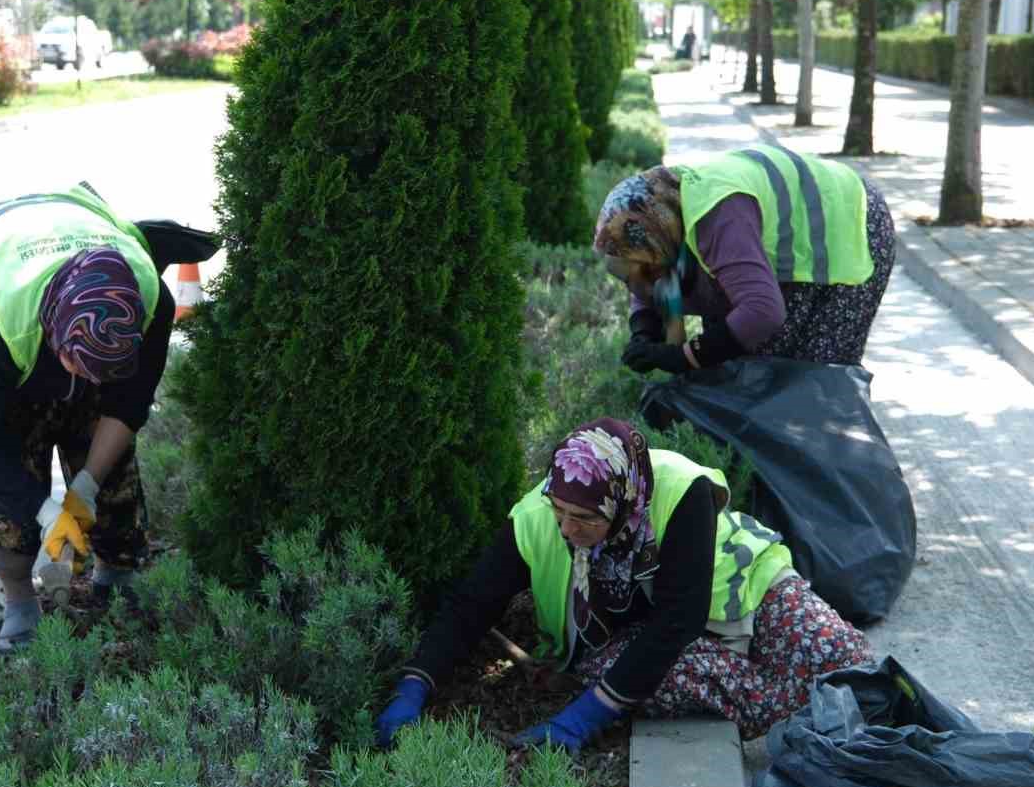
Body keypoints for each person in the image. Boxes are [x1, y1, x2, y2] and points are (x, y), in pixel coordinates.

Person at [375, 419, 872, 752]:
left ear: (622, 498)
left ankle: (828, 706)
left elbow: (681, 614)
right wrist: (415, 685)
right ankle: (803, 709)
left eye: (585, 518)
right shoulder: (535, 521)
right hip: (639, 643)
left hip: (742, 589)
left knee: (852, 666)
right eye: (560, 512)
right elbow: (470, 607)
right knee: (632, 675)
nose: (568, 529)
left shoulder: (681, 488)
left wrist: (583, 719)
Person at [0, 182, 176, 650]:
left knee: (113, 474)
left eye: (106, 375)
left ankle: (117, 577)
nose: (92, 388)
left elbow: (127, 404)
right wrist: (43, 514)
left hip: (73, 288)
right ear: (55, 340)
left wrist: (84, 490)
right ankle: (21, 604)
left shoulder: (151, 302)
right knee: (3, 509)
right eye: (84, 371)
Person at [594, 149, 895, 378]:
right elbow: (645, 279)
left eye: (646, 269)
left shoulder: (717, 216)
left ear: (656, 237)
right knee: (748, 367)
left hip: (848, 219)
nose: (641, 283)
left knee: (808, 375)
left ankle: (825, 458)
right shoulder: (664, 219)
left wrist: (684, 358)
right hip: (785, 225)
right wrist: (643, 332)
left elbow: (763, 312)